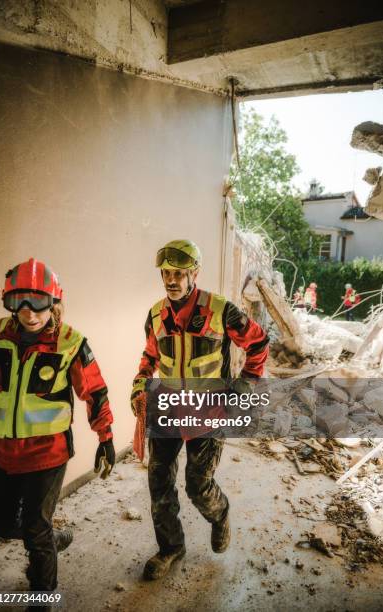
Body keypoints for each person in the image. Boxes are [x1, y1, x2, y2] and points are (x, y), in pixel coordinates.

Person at [131, 239, 269, 580]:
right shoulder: (155, 314)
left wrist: (246, 382)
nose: (172, 280)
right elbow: (150, 356)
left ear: (195, 273)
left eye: (179, 273)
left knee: (197, 485)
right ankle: (171, 548)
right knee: (159, 484)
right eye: (167, 273)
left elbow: (259, 343)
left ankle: (220, 514)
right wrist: (139, 384)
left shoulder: (221, 311)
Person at [0, 258, 115, 602]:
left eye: (39, 302)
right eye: (19, 302)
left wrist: (106, 437)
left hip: (47, 454)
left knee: (34, 524)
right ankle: (47, 539)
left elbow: (95, 390)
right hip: (0, 451)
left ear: (54, 302)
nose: (29, 313)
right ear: (8, 301)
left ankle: (43, 596)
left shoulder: (70, 342)